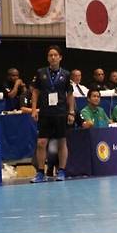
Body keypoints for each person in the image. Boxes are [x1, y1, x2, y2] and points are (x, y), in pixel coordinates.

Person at [31, 46, 75, 183]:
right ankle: (40, 172)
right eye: (50, 55)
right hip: (45, 113)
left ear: (60, 57)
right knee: (41, 143)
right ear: (47, 58)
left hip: (61, 112)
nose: (53, 57)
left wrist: (71, 111)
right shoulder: (41, 72)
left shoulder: (66, 74)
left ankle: (61, 171)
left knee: (62, 142)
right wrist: (33, 109)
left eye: (55, 55)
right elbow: (35, 92)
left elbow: (70, 94)